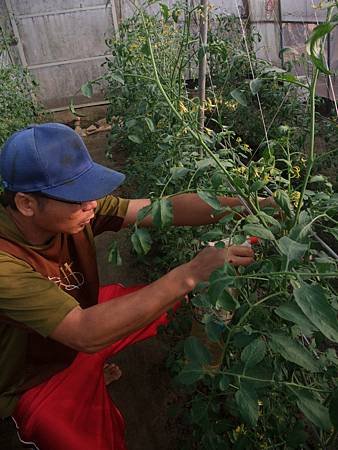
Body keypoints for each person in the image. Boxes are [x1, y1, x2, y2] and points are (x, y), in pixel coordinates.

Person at [0, 123, 259, 450]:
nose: (92, 205)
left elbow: (162, 209)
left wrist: (251, 206)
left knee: (164, 302)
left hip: (79, 319)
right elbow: (85, 332)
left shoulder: (77, 212)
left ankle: (90, 375)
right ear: (26, 204)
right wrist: (191, 272)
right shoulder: (4, 262)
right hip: (34, 375)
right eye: (78, 198)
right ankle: (78, 384)